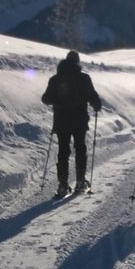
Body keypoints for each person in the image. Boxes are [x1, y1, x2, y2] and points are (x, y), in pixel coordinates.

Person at [41, 50, 101, 197]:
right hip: (79, 120)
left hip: (61, 121)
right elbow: (92, 95)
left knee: (63, 152)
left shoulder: (55, 79)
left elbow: (45, 98)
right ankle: (80, 182)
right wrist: (96, 105)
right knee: (80, 149)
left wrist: (59, 102)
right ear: (77, 62)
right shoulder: (84, 78)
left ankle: (62, 185)